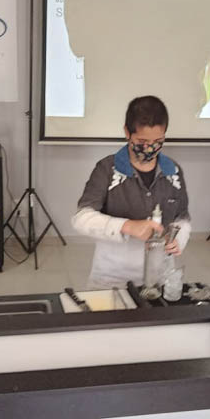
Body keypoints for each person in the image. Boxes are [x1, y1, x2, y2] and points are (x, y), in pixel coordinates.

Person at [72, 95, 191, 289]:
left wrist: (178, 239)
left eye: (158, 141)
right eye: (142, 141)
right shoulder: (107, 169)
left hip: (159, 276)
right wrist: (127, 226)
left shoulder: (173, 172)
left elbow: (182, 218)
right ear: (127, 132)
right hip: (112, 276)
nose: (150, 148)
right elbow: (81, 219)